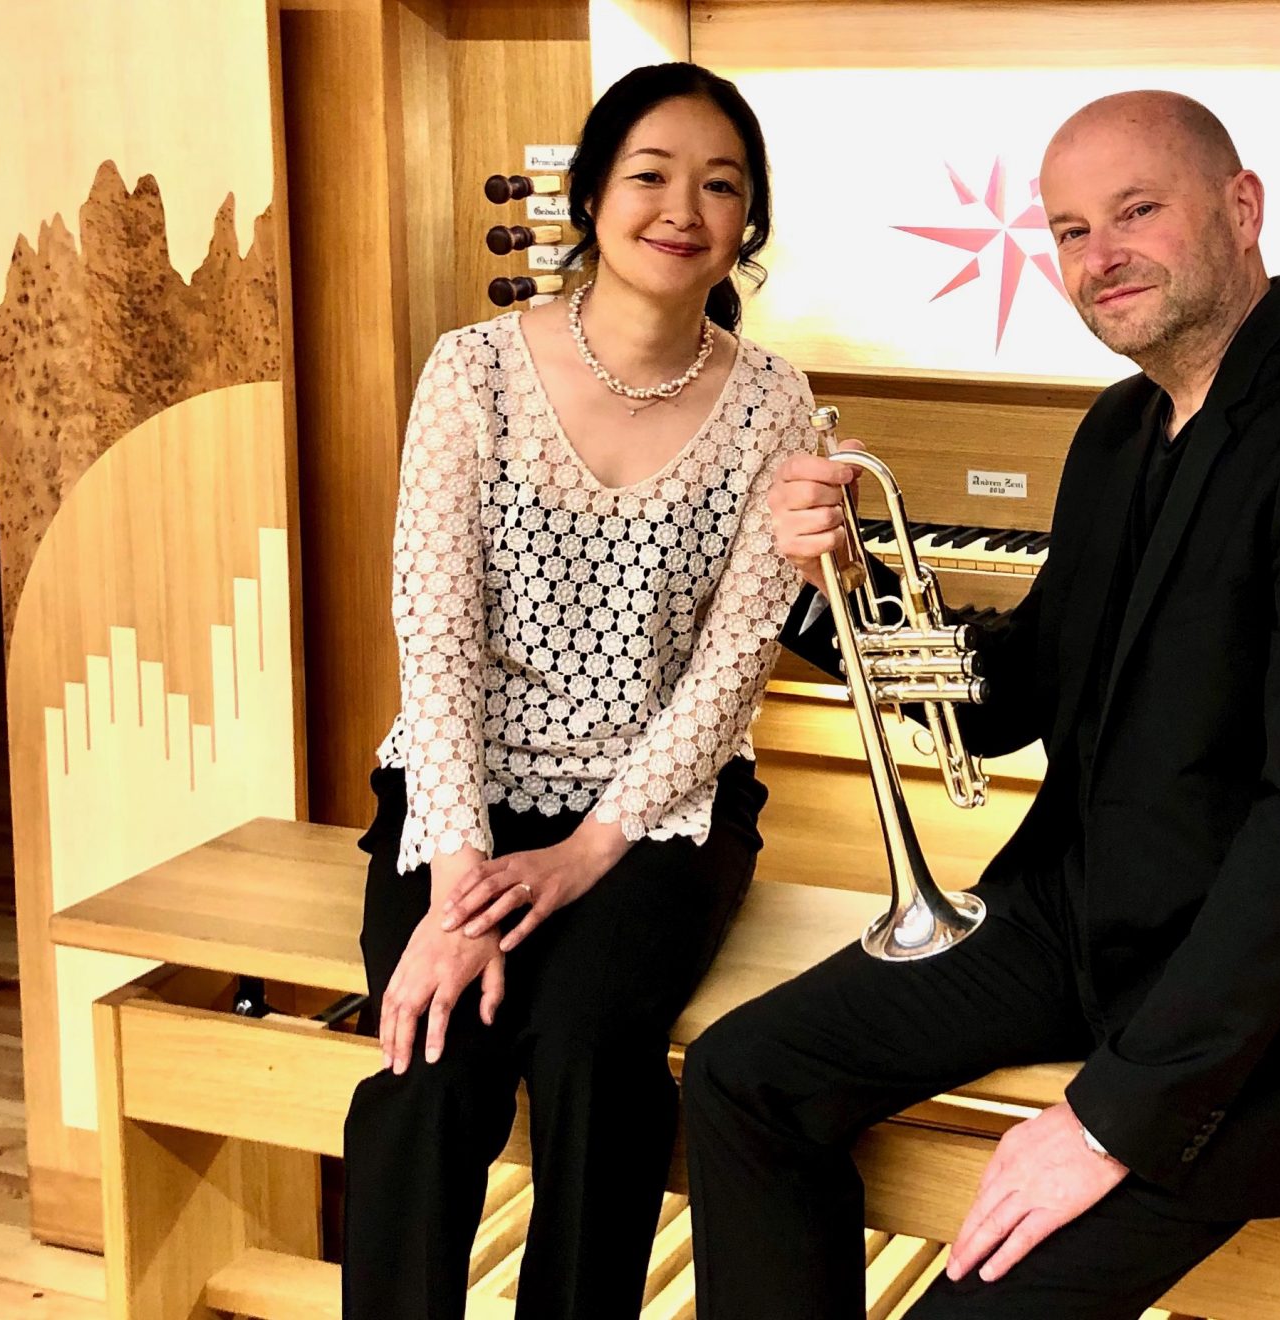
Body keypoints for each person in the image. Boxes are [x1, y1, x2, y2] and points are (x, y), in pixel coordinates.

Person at [681, 90, 1280, 1319]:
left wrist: (1108, 1117)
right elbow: (1016, 694)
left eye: (1136, 211)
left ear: (1243, 208)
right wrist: (838, 588)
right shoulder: (1117, 432)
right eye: (1068, 231)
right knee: (745, 1078)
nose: (1100, 255)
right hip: (1084, 917)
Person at [342, 62, 812, 1320]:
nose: (684, 208)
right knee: (433, 1053)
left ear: (748, 221)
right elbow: (435, 636)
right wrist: (460, 886)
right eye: (651, 175)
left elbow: (734, 669)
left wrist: (591, 849)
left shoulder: (775, 402)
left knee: (593, 1052)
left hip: (658, 813)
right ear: (593, 195)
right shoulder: (474, 370)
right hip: (463, 796)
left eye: (722, 185)